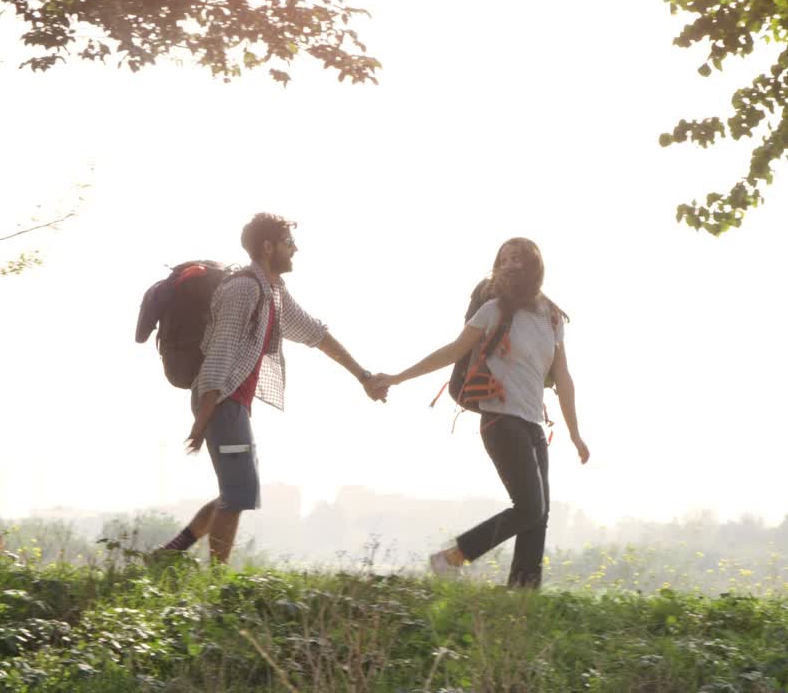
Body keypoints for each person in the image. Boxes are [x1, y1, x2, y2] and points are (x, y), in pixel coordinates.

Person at [158, 212, 387, 563]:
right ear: (268, 247)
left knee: (235, 491)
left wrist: (363, 376)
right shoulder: (243, 289)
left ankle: (169, 554)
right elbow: (219, 354)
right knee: (238, 493)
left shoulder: (274, 293)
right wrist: (203, 419)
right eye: (288, 243)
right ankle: (214, 580)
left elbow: (316, 334)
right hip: (220, 401)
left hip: (231, 404)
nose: (295, 250)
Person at [369, 237, 589, 588]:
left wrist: (575, 434)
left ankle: (522, 595)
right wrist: (397, 377)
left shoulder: (550, 316)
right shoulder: (493, 310)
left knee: (539, 515)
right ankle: (452, 558)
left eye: (517, 258)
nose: (509, 264)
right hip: (501, 421)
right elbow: (452, 352)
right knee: (530, 507)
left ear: (534, 265)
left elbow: (563, 377)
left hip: (532, 424)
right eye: (503, 258)